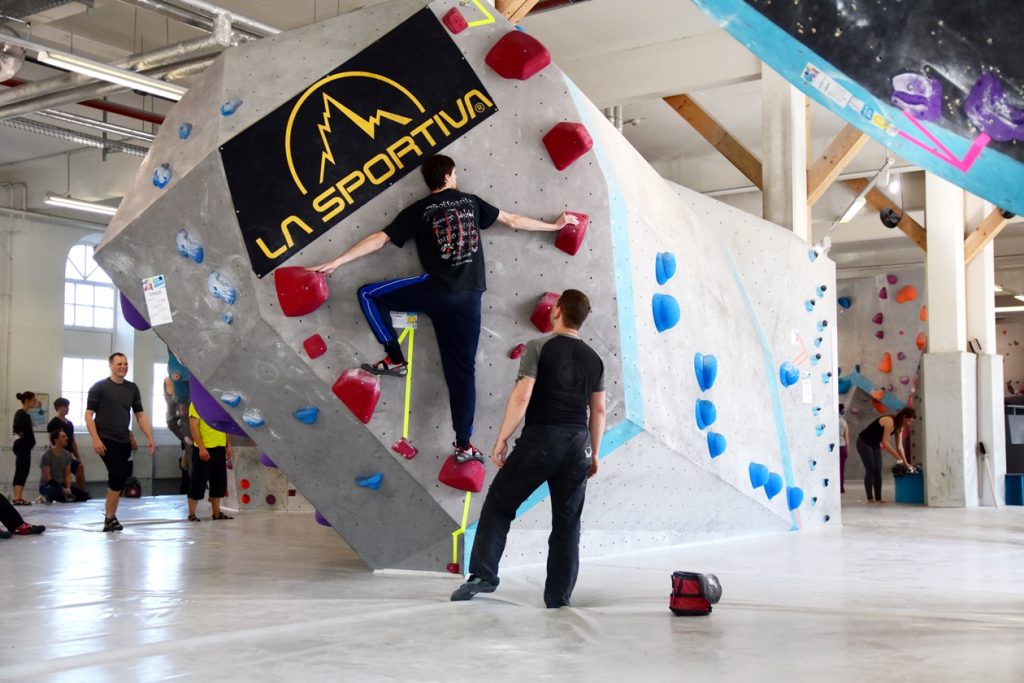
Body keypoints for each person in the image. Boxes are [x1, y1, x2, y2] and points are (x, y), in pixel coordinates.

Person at [310, 155, 578, 463]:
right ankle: (464, 445)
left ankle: (395, 359)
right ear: (450, 175)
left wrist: (338, 261)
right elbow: (514, 221)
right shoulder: (470, 202)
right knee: (462, 376)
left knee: (369, 295)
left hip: (434, 291)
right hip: (468, 301)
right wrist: (554, 226)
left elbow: (380, 240)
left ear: (429, 181)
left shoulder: (419, 210)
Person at [451, 290, 605, 608]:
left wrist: (502, 438)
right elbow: (599, 411)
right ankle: (558, 597)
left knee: (499, 504)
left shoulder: (539, 345)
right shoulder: (595, 359)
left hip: (542, 440)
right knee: (567, 523)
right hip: (579, 444)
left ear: (558, 310)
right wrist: (595, 452)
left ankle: (483, 575)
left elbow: (523, 396)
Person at [84, 352, 156, 532]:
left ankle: (111, 517)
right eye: (119, 364)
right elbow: (88, 415)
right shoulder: (99, 387)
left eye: (125, 364)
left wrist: (149, 436)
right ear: (111, 365)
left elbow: (140, 415)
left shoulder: (132, 388)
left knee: (120, 478)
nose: (123, 367)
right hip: (106, 439)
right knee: (116, 475)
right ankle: (109, 518)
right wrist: (96, 439)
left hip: (124, 439)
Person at [855, 407, 916, 503]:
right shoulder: (889, 421)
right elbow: (885, 443)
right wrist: (898, 458)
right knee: (871, 468)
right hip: (864, 442)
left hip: (874, 444)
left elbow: (899, 447)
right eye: (908, 420)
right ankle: (870, 498)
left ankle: (879, 498)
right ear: (904, 417)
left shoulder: (900, 427)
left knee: (878, 469)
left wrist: (905, 462)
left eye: (911, 421)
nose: (909, 423)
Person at [186, 402, 233, 522]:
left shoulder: (220, 403)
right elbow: (193, 427)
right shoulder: (196, 403)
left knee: (219, 482)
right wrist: (201, 448)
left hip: (219, 448)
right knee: (198, 482)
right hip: (204, 450)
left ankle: (216, 513)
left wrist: (228, 445)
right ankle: (192, 514)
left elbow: (225, 426)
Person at [38, 429, 89, 503]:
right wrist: (61, 489)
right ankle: (46, 497)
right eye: (63, 437)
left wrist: (68, 488)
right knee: (52, 491)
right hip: (48, 486)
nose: (66, 438)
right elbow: (47, 478)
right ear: (56, 440)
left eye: (66, 436)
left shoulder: (67, 455)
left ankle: (60, 497)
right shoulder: (46, 455)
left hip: (62, 485)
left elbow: (67, 474)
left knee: (83, 495)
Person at [47, 397, 86, 491]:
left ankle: (82, 491)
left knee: (80, 467)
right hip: (58, 456)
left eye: (68, 407)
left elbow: (72, 441)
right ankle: (63, 492)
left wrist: (78, 457)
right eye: (65, 407)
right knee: (63, 475)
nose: (67, 409)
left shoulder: (70, 424)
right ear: (58, 408)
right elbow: (51, 440)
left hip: (68, 455)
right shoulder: (53, 423)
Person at [11, 391, 38, 505]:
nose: (35, 402)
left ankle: (18, 496)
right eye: (33, 400)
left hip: (24, 447)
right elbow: (16, 428)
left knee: (21, 470)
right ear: (27, 400)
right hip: (23, 447)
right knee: (22, 471)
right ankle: (18, 497)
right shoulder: (21, 414)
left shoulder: (24, 415)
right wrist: (21, 440)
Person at [838, 404, 849, 493]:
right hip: (842, 447)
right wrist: (847, 450)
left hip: (832, 448)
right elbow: (846, 438)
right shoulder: (844, 422)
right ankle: (841, 487)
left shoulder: (830, 421)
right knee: (841, 469)